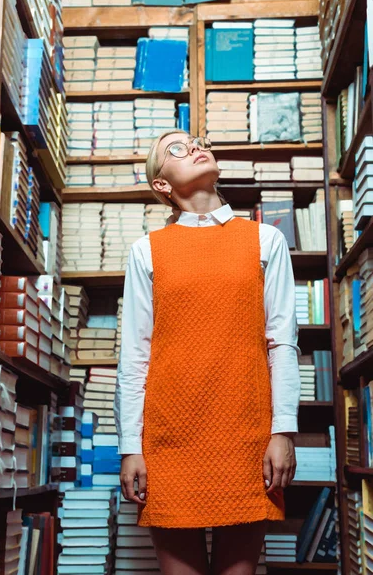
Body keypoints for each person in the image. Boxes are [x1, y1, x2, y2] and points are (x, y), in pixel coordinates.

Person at [113, 130, 301, 575]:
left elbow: (282, 343)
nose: (196, 147)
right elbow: (134, 357)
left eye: (198, 141)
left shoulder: (265, 241)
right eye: (176, 149)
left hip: (248, 437)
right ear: (162, 185)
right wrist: (129, 448)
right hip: (167, 443)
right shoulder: (147, 252)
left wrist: (284, 431)